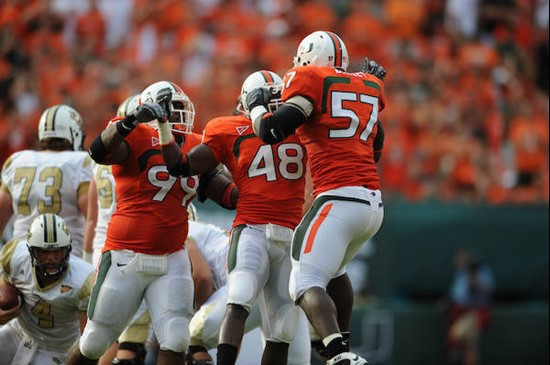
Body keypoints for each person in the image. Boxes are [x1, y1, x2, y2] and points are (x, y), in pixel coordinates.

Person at [244, 31, 387, 365]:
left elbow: (270, 131)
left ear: (309, 59)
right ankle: (336, 347)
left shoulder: (309, 79)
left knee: (303, 281)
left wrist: (256, 106)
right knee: (335, 271)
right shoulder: (368, 86)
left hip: (337, 198)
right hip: (372, 204)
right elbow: (376, 148)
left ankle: (339, 354)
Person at [68, 81, 234, 365]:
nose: (181, 116)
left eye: (183, 109)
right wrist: (130, 121)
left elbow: (226, 194)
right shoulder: (136, 135)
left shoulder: (195, 145)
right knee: (95, 341)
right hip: (125, 255)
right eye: (175, 108)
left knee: (176, 340)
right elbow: (98, 150)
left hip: (172, 258)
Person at [157, 70, 307, 365]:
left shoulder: (238, 128)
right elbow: (184, 167)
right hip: (256, 230)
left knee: (279, 326)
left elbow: (182, 166)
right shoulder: (296, 128)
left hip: (276, 233)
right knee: (243, 301)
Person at [183, 210, 311, 365]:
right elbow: (235, 334)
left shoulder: (182, 230)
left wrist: (195, 311)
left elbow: (201, 277)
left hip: (251, 286)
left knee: (185, 337)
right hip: (285, 284)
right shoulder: (209, 234)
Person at [0, 213, 95, 364]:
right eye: (44, 251)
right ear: (31, 250)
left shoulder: (83, 281)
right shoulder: (15, 257)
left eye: (57, 251)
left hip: (56, 348)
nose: (51, 258)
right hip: (18, 331)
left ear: (67, 249)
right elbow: (4, 282)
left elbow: (89, 338)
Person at [0, 105, 92, 258]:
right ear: (74, 134)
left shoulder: (17, 160)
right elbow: (93, 219)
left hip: (21, 259)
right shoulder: (80, 162)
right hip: (64, 261)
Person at [446, 249, 495, 365]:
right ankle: (457, 354)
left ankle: (458, 355)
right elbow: (457, 295)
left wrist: (476, 284)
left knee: (466, 338)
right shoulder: (460, 273)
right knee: (468, 341)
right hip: (461, 311)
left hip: (479, 311)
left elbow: (488, 292)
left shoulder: (483, 272)